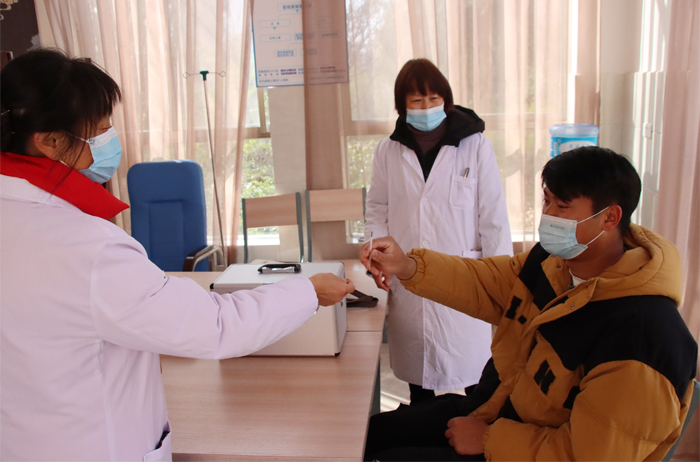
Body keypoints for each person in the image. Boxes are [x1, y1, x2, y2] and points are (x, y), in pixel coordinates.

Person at [0, 48, 355, 461]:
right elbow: (215, 326)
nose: (110, 140)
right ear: (49, 141)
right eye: (99, 130)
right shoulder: (87, 249)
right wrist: (310, 291)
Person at [360, 146, 698, 461]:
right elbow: (484, 282)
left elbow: (592, 454)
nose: (548, 216)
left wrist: (489, 440)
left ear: (610, 218)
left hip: (521, 446)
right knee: (367, 435)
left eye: (562, 207)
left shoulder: (642, 338)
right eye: (547, 201)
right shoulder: (552, 263)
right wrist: (407, 266)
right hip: (496, 408)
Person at [364, 58, 512, 403]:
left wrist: (500, 278)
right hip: (408, 271)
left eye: (434, 99)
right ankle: (422, 427)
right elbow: (377, 209)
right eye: (416, 101)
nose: (426, 108)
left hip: (465, 272)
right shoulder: (388, 151)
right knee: (420, 376)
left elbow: (493, 215)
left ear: (447, 100)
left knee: (476, 375)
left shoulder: (476, 145)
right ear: (402, 106)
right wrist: (377, 256)